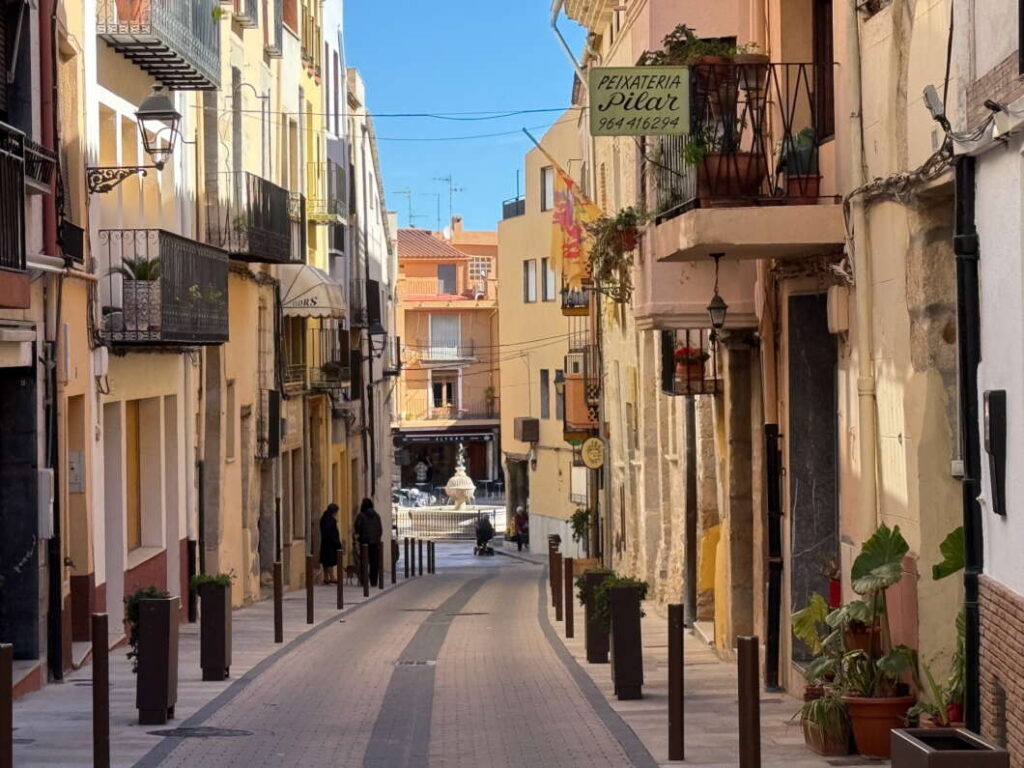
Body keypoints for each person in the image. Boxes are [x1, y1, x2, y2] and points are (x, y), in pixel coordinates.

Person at [353, 497, 384, 585]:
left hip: (365, 542)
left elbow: (357, 527)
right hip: (375, 542)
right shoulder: (377, 516)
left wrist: (359, 537)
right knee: (374, 562)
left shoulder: (361, 516)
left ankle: (364, 581)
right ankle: (374, 581)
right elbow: (380, 529)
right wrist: (377, 538)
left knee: (364, 562)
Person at [318, 503, 342, 584]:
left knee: (326, 561)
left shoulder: (323, 518)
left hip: (325, 542)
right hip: (330, 543)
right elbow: (331, 533)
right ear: (334, 511)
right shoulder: (330, 520)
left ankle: (326, 577)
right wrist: (337, 543)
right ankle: (331, 577)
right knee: (330, 561)